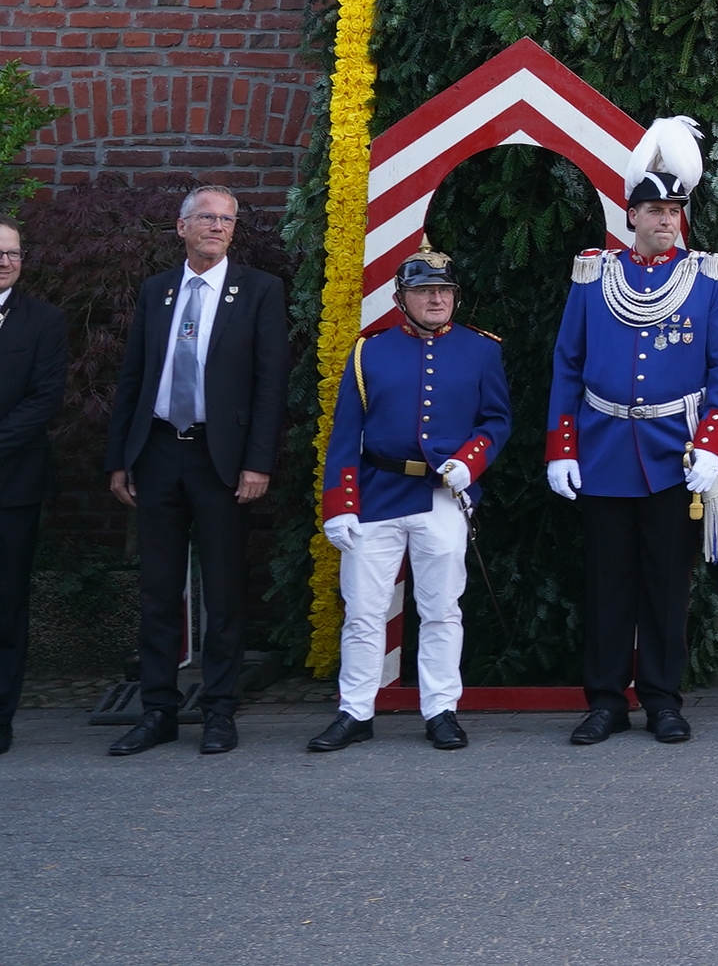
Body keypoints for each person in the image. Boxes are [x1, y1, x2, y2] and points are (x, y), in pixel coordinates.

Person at [542, 117, 718, 745]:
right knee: (607, 585)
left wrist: (711, 446)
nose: (666, 221)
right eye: (654, 210)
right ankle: (605, 701)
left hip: (673, 453)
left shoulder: (707, 279)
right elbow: (568, 365)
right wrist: (561, 448)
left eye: (674, 211)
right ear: (631, 216)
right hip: (603, 450)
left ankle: (661, 700)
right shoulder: (593, 275)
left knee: (666, 587)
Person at [103, 184, 289, 757]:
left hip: (221, 458)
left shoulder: (259, 290)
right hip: (158, 451)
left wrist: (257, 461)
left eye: (227, 220)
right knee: (158, 590)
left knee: (224, 592)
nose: (217, 227)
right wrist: (120, 459)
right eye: (206, 217)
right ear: (181, 227)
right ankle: (157, 710)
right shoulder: (157, 291)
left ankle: (219, 710)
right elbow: (133, 379)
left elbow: (271, 384)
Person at [311, 250, 512, 753]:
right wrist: (340, 504)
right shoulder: (369, 352)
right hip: (376, 494)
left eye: (444, 290)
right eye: (424, 291)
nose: (436, 299)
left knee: (442, 609)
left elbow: (496, 421)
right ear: (402, 298)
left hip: (442, 494)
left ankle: (441, 709)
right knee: (363, 610)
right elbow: (346, 434)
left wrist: (470, 462)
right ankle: (355, 711)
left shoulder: (481, 350)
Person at [0, 221, 68, 754]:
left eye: (14, 253)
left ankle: (1, 715)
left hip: (12, 486)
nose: (6, 262)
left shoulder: (44, 321)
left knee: (6, 605)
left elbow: (45, 399)